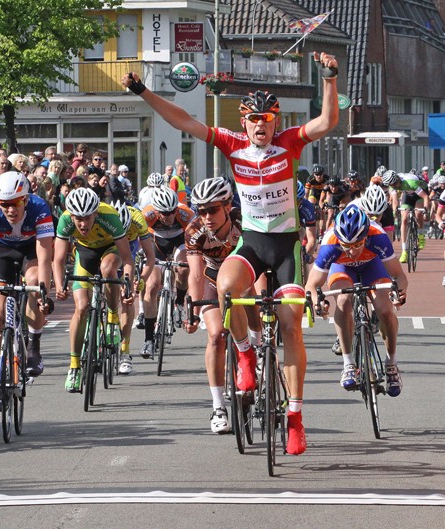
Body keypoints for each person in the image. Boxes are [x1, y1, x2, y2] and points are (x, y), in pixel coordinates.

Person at [122, 51, 339, 456]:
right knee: (223, 287)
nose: (261, 126)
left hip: (287, 246)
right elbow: (182, 121)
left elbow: (327, 122)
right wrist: (143, 91)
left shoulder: (290, 143)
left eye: (268, 119)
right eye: (254, 120)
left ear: (276, 121)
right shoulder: (232, 143)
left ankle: (294, 417)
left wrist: (328, 77)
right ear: (244, 122)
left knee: (291, 327)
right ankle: (244, 356)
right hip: (253, 244)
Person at [0, 172, 53, 411]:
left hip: (30, 252)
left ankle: (34, 345)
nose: (10, 209)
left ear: (25, 199)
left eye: (15, 203)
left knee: (35, 282)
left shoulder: (39, 208)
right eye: (4, 204)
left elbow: (45, 257)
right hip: (1, 253)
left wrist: (44, 293)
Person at [305, 204, 407, 398]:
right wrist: (318, 302)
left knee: (384, 310)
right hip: (342, 269)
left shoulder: (377, 236)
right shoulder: (330, 243)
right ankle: (348, 363)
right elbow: (311, 285)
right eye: (346, 246)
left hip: (372, 266)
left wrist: (399, 293)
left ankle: (391, 363)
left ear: (366, 237)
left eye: (357, 245)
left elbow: (399, 276)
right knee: (343, 300)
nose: (352, 252)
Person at [52, 187, 134, 392]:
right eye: (78, 218)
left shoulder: (110, 216)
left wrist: (128, 284)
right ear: (71, 215)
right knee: (81, 307)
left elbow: (127, 259)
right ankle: (74, 367)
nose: (82, 223)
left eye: (87, 218)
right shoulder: (65, 220)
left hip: (110, 249)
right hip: (84, 253)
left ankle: (112, 319)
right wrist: (60, 284)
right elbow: (58, 260)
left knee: (108, 271)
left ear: (96, 213)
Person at [182, 178, 243, 433]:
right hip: (210, 277)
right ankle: (218, 406)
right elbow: (195, 274)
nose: (206, 216)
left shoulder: (244, 223)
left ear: (228, 206)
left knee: (255, 328)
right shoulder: (194, 230)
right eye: (201, 210)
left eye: (213, 210)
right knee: (216, 336)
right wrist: (194, 311)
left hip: (242, 276)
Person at [139, 186, 195, 359]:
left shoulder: (186, 214)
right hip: (156, 242)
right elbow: (138, 238)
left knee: (184, 268)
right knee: (152, 286)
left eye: (172, 212)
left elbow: (195, 239)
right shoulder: (146, 215)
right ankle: (148, 340)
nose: (169, 216)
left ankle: (178, 302)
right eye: (165, 213)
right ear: (156, 211)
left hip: (180, 240)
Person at [110, 200, 154, 376]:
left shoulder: (138, 219)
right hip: (106, 247)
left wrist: (141, 279)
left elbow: (150, 257)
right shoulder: (102, 219)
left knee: (128, 297)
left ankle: (125, 351)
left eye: (126, 232)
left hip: (132, 251)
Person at [382, 170, 430, 262]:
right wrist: (394, 213)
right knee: (404, 219)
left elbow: (425, 197)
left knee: (418, 213)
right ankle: (404, 251)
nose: (393, 186)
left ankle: (421, 236)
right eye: (391, 185)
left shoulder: (410, 182)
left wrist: (426, 211)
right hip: (407, 194)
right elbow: (395, 200)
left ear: (397, 180)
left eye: (394, 184)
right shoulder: (391, 185)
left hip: (419, 194)